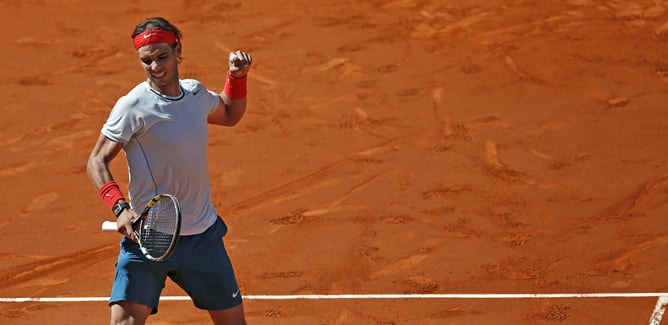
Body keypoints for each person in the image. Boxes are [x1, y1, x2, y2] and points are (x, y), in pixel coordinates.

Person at [86, 17, 251, 325]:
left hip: (202, 237)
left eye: (162, 56)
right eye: (146, 61)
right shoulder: (133, 105)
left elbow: (229, 113)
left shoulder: (195, 95)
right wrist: (120, 209)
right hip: (149, 238)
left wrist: (236, 77)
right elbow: (97, 160)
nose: (155, 66)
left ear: (178, 51)